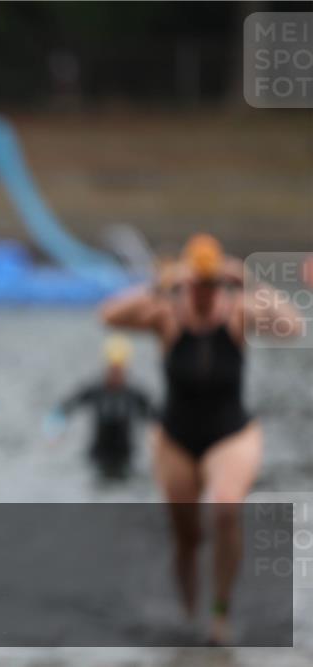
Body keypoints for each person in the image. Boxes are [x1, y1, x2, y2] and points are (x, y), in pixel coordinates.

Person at [99, 233, 302, 644]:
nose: (205, 293)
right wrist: (160, 282)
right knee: (186, 537)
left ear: (220, 284)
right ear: (187, 283)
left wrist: (249, 280)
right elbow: (109, 316)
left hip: (232, 433)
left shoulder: (238, 312)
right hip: (175, 437)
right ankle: (188, 613)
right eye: (198, 283)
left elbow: (293, 325)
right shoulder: (167, 315)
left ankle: (219, 614)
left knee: (226, 506)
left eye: (212, 284)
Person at [47, 335, 154, 480]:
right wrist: (53, 433)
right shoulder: (94, 391)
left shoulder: (134, 394)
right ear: (106, 367)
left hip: (126, 459)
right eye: (112, 369)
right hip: (97, 458)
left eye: (119, 369)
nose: (116, 374)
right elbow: (63, 409)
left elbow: (157, 418)